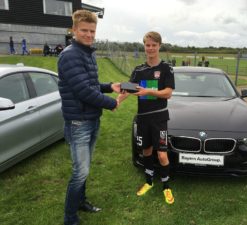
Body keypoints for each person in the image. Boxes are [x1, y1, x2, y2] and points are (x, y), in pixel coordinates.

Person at [57, 9, 120, 225]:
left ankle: (81, 202)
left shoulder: (87, 53)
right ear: (74, 30)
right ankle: (70, 218)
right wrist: (112, 103)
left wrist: (110, 87)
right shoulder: (70, 55)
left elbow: (91, 85)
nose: (89, 35)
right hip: (78, 123)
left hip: (91, 119)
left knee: (85, 169)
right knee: (80, 172)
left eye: (92, 31)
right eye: (84, 30)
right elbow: (83, 91)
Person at [118, 31, 175, 205]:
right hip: (143, 119)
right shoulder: (139, 70)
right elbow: (129, 88)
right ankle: (149, 182)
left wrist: (149, 91)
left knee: (162, 156)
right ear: (144, 46)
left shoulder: (166, 68)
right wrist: (118, 99)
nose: (150, 48)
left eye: (153, 45)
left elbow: (168, 93)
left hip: (159, 119)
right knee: (146, 151)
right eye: (147, 45)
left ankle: (166, 186)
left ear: (159, 46)